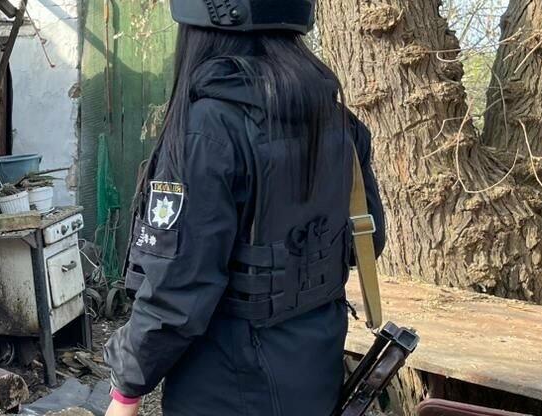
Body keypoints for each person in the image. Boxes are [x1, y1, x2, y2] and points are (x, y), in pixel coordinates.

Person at [102, 1, 388, 415]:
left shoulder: (208, 129)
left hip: (226, 383)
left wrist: (127, 390)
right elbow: (365, 242)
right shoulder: (337, 118)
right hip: (316, 368)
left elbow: (177, 291)